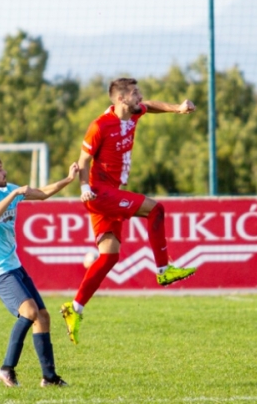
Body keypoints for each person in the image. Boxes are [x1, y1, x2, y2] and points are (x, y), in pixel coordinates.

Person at [60, 77, 198, 345]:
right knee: (156, 209)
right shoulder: (100, 125)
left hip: (111, 191)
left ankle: (74, 309)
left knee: (109, 256)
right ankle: (163, 270)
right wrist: (84, 186)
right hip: (99, 193)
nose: (140, 97)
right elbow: (83, 160)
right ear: (121, 99)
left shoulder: (134, 113)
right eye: (135, 93)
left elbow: (151, 105)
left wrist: (177, 108)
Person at [0, 154, 79, 388]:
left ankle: (49, 377)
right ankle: (6, 369)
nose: (4, 172)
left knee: (43, 317)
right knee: (28, 312)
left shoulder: (9, 190)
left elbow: (43, 193)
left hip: (15, 266)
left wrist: (68, 179)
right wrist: (14, 194)